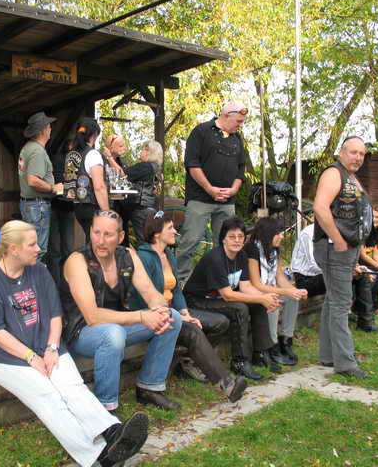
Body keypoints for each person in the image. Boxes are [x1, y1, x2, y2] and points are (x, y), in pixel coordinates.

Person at [0, 220, 148, 467]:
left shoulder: (40, 271)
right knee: (48, 396)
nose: (38, 249)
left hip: (46, 345)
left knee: (73, 386)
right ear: (13, 249)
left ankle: (112, 432)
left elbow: (55, 314)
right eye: (32, 244)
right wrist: (30, 357)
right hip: (5, 357)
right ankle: (97, 455)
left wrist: (52, 347)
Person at [61, 210, 183, 412]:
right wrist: (142, 316)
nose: (100, 241)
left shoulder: (127, 256)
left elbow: (151, 293)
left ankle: (149, 387)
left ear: (120, 237)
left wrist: (161, 310)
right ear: (90, 232)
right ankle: (106, 408)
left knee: (173, 317)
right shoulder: (78, 261)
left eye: (108, 234)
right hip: (81, 333)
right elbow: (92, 316)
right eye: (96, 233)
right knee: (113, 333)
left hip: (116, 327)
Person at [130, 210, 248, 402]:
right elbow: (142, 298)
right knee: (192, 331)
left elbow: (176, 290)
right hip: (152, 314)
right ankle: (227, 384)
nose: (175, 231)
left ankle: (189, 362)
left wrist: (185, 313)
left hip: (173, 312)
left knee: (219, 322)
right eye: (170, 228)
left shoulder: (168, 254)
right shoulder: (144, 257)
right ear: (157, 233)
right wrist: (179, 316)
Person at [183, 217, 281, 381]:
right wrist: (261, 298)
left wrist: (264, 297)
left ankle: (261, 352)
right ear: (223, 239)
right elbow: (228, 295)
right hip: (196, 300)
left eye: (240, 236)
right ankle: (239, 362)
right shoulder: (215, 258)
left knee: (257, 304)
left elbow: (246, 286)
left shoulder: (241, 255)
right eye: (232, 236)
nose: (237, 240)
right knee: (239, 309)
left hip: (216, 299)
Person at [313, 136, 374, 378]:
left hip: (347, 248)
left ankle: (328, 356)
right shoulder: (333, 173)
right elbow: (320, 208)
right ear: (342, 152)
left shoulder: (351, 177)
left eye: (361, 154)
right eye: (353, 152)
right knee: (341, 303)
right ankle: (346, 363)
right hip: (334, 247)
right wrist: (338, 240)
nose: (358, 157)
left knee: (333, 300)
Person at [176, 101, 248, 284]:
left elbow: (241, 168)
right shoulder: (201, 131)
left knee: (227, 243)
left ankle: (221, 283)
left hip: (227, 201)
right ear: (226, 115)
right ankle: (180, 283)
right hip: (200, 199)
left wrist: (234, 189)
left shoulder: (237, 139)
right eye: (239, 121)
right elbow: (192, 163)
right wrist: (209, 188)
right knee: (190, 241)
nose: (241, 125)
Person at [291, 223, 378, 335]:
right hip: (307, 278)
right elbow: (315, 263)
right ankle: (340, 320)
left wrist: (354, 267)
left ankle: (366, 322)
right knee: (343, 276)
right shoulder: (309, 233)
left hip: (327, 274)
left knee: (361, 276)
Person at [245, 217, 307, 368]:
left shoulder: (273, 249)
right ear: (267, 234)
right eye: (278, 233)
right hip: (253, 292)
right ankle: (271, 346)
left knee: (292, 298)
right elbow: (256, 284)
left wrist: (295, 291)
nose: (282, 236)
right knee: (274, 300)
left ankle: (286, 340)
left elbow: (279, 277)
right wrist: (285, 291)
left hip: (268, 288)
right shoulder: (252, 249)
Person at [18, 112, 63, 261]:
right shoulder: (37, 151)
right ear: (43, 130)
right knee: (37, 250)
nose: (51, 129)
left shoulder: (28, 147)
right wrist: (53, 188)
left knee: (30, 247)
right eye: (49, 126)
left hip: (30, 205)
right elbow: (32, 180)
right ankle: (32, 276)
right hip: (37, 206)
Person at [105, 138, 163, 245]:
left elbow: (123, 174)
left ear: (149, 152)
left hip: (140, 209)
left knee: (145, 243)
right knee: (150, 241)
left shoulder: (145, 166)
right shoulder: (156, 167)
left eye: (143, 149)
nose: (141, 152)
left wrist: (109, 157)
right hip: (150, 208)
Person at [64, 118, 109, 238]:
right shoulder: (93, 154)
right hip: (92, 206)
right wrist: (106, 212)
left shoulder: (71, 154)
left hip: (78, 206)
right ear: (94, 134)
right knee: (97, 242)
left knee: (91, 240)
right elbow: (99, 187)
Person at [48, 140, 76, 286]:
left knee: (67, 250)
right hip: (54, 207)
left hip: (68, 208)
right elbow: (58, 182)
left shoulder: (74, 160)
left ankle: (67, 284)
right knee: (55, 251)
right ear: (69, 146)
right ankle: (56, 285)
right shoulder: (59, 159)